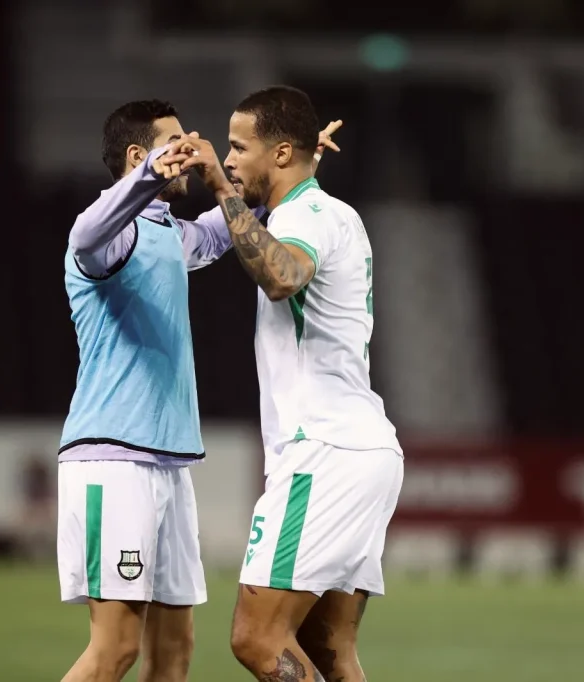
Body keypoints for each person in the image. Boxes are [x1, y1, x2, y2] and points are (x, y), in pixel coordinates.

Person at [56, 98, 338, 682]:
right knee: (114, 650)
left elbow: (237, 211)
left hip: (168, 466)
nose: (190, 149)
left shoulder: (168, 234)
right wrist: (148, 176)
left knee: (175, 650)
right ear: (139, 155)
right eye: (175, 142)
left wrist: (300, 161)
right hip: (114, 459)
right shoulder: (113, 237)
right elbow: (84, 235)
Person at [160, 86, 403, 682]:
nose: (228, 159)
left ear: (283, 153)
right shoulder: (321, 211)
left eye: (239, 147)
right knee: (328, 650)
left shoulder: (305, 215)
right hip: (360, 449)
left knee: (257, 638)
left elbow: (282, 276)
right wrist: (289, 161)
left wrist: (221, 189)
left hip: (322, 450)